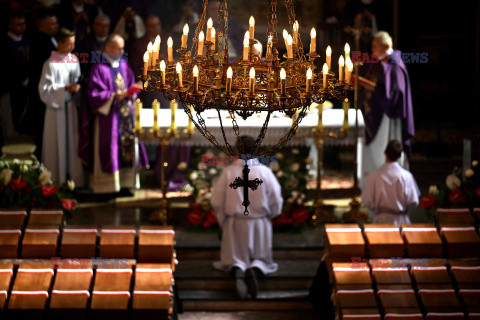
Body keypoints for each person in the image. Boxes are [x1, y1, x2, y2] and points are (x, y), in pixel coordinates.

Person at [211, 136, 283, 299]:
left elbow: (216, 201)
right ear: (256, 150)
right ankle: (255, 270)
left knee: (235, 258)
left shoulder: (228, 172)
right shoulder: (265, 172)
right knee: (261, 257)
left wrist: (223, 220)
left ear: (236, 151)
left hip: (234, 222)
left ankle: (238, 271)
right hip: (259, 223)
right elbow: (276, 200)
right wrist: (269, 215)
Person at [79, 33, 148, 194]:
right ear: (108, 48)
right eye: (119, 48)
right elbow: (93, 94)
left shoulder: (123, 64)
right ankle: (107, 188)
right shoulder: (98, 67)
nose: (122, 51)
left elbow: (130, 84)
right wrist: (112, 96)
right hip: (108, 117)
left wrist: (134, 90)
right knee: (108, 147)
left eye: (123, 48)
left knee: (127, 148)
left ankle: (125, 184)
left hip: (125, 114)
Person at [358, 31, 415, 186]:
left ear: (387, 46)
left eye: (376, 46)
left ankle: (390, 183)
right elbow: (380, 86)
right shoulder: (380, 62)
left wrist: (366, 85)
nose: (372, 50)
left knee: (387, 147)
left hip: (389, 117)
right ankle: (373, 182)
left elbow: (395, 93)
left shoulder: (395, 63)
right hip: (378, 113)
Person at [38, 28, 84, 186]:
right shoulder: (49, 63)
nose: (72, 47)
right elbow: (43, 90)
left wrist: (76, 88)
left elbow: (77, 79)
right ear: (61, 43)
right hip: (55, 110)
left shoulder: (74, 60)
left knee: (71, 142)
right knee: (55, 143)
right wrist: (64, 88)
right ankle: (55, 180)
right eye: (69, 44)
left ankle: (73, 180)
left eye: (74, 44)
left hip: (70, 108)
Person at [23, 9, 59, 158]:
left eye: (56, 22)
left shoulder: (51, 38)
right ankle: (42, 160)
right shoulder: (39, 41)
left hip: (48, 90)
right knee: (42, 129)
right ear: (42, 26)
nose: (56, 26)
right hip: (41, 92)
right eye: (52, 24)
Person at [361, 140, 420, 227]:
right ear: (400, 155)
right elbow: (413, 201)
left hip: (380, 221)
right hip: (401, 221)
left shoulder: (374, 176)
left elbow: (367, 201)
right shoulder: (407, 176)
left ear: (385, 153)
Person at [0, 12, 30, 137]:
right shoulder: (4, 43)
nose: (22, 27)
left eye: (23, 24)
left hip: (26, 88)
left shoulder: (27, 41)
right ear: (10, 26)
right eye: (18, 24)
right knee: (11, 123)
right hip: (10, 89)